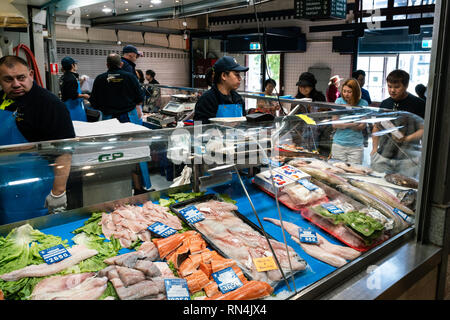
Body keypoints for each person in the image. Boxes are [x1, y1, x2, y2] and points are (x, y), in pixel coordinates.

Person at [0, 55, 75, 224]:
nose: (16, 84)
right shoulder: (3, 99)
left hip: (33, 187)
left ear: (31, 75)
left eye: (21, 78)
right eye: (8, 79)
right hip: (5, 181)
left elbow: (64, 151)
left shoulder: (49, 104)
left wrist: (58, 192)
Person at [89, 54, 151, 193]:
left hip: (108, 122)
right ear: (121, 64)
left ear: (107, 65)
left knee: (111, 154)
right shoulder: (130, 77)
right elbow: (140, 98)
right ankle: (138, 187)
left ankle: (113, 189)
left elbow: (94, 103)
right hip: (129, 120)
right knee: (134, 153)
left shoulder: (100, 79)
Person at [193, 56, 248, 123]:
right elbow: (197, 129)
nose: (240, 78)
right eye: (236, 74)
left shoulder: (238, 99)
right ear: (224, 76)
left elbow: (244, 125)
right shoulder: (207, 100)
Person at [331, 78, 369, 164]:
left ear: (356, 92)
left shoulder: (363, 103)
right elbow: (335, 124)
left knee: (355, 171)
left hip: (356, 146)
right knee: (338, 170)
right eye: (344, 91)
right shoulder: (339, 101)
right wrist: (353, 123)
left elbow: (362, 126)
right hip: (339, 144)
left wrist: (344, 124)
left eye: (349, 92)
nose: (346, 94)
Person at [59, 56, 89, 121]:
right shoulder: (71, 78)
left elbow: (71, 88)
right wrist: (84, 96)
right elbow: (73, 95)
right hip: (74, 108)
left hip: (68, 105)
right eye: (75, 64)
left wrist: (81, 82)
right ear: (72, 65)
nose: (76, 65)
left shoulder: (64, 77)